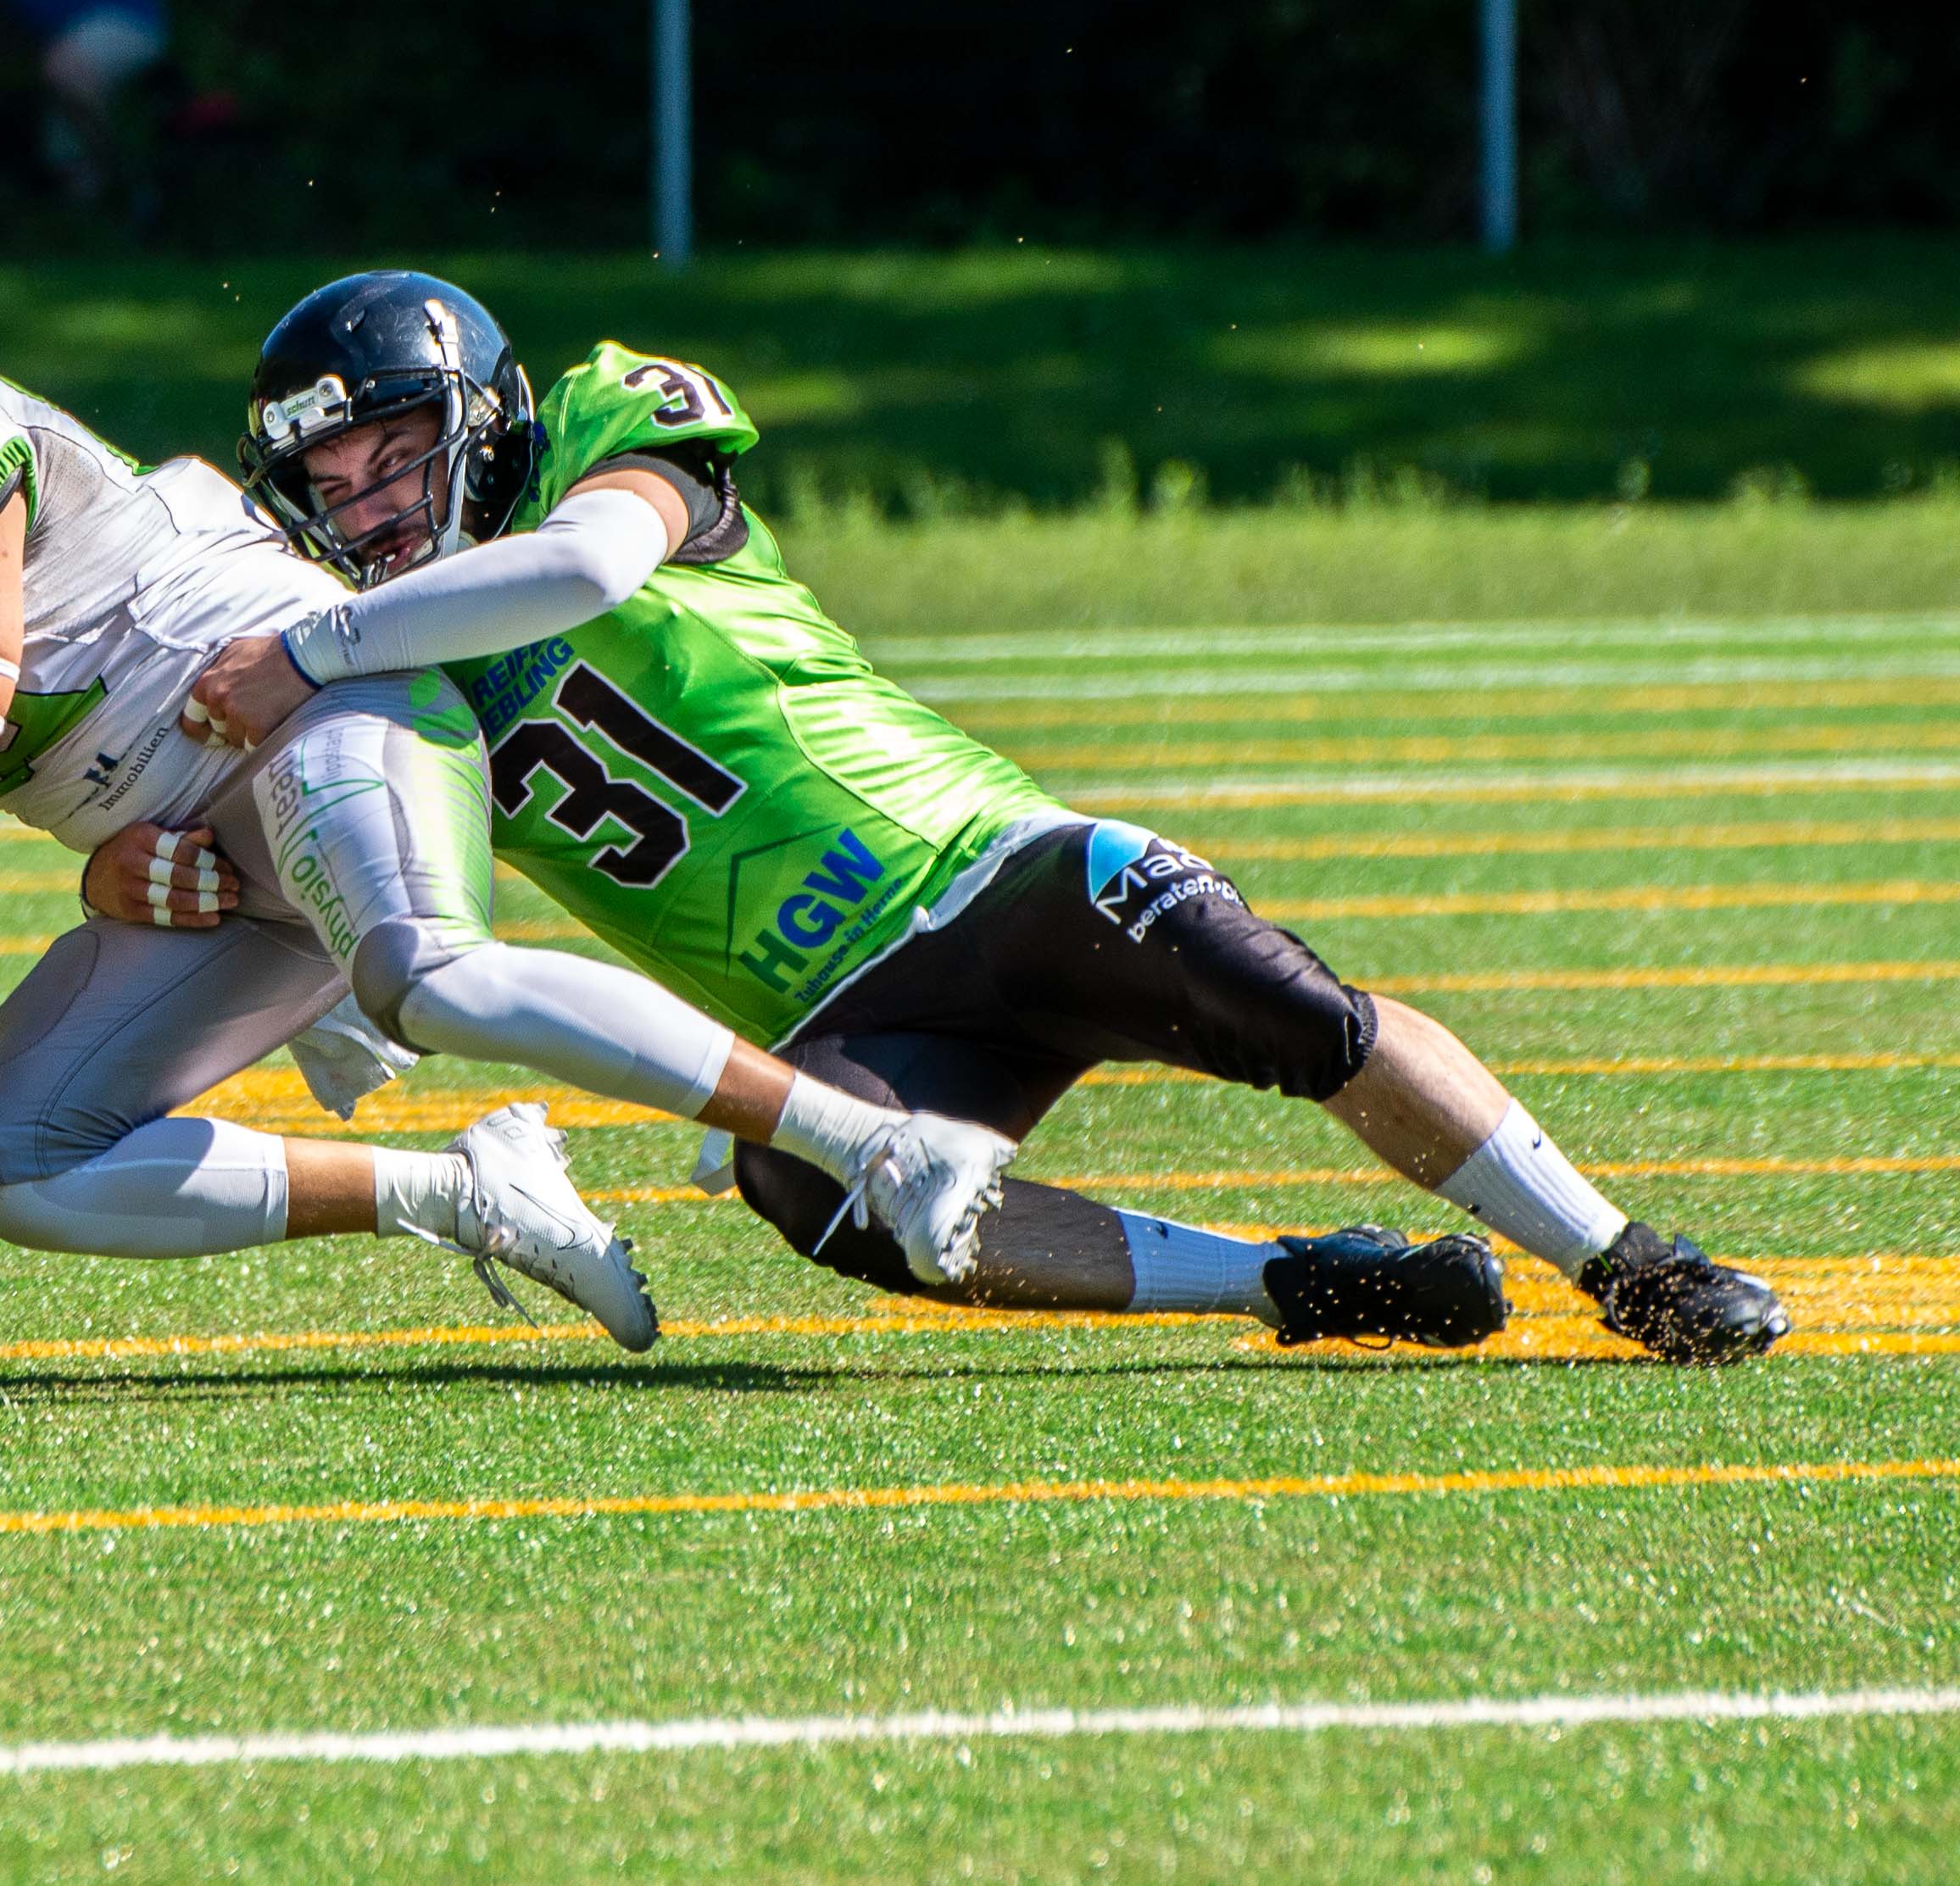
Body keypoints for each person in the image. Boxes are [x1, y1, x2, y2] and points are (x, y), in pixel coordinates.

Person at [176, 270, 1790, 1366]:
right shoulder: (380, 680)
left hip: (989, 866)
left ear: (480, 418)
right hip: (833, 1011)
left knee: (1297, 1010)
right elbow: (333, 862)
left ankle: (1623, 1260)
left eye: (393, 452)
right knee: (825, 1198)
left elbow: (588, 568)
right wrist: (169, 869)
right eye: (334, 483)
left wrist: (308, 645)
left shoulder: (603, 431)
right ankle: (1297, 1279)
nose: (370, 504)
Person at [0, 211, 1025, 1355]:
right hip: (190, 852)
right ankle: (459, 1191)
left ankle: (875, 1142)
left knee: (432, 976)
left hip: (311, 715)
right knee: (10, 1162)